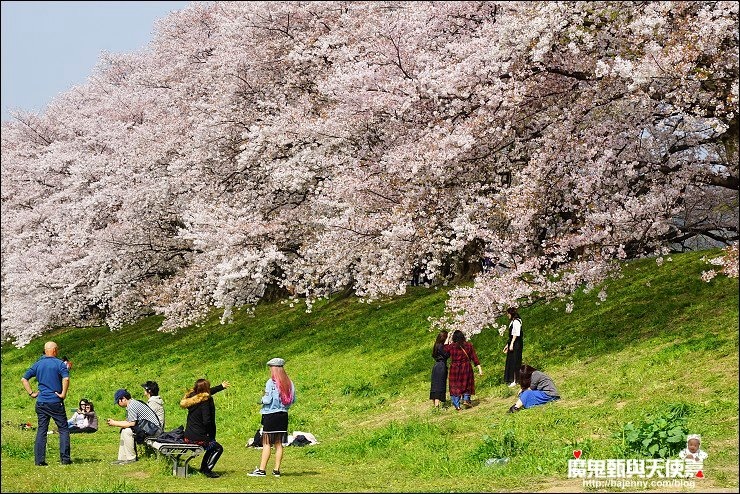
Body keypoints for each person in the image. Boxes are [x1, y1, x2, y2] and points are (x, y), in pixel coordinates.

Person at [21, 341, 72, 466]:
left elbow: (24, 379)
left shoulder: (38, 364)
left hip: (41, 402)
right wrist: (63, 394)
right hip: (55, 402)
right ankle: (65, 459)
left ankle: (39, 461)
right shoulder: (59, 363)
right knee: (63, 429)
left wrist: (31, 393)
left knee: (42, 430)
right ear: (54, 350)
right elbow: (66, 378)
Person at [248, 357, 295, 477]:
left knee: (266, 443)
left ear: (273, 369)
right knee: (278, 444)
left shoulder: (271, 382)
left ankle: (262, 470)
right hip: (283, 415)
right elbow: (292, 400)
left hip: (270, 415)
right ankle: (276, 470)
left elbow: (267, 399)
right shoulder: (289, 382)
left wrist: (260, 400)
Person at [180, 378, 229, 478]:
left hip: (189, 434)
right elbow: (207, 421)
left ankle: (204, 468)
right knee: (217, 448)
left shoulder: (192, 397)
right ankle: (206, 470)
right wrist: (210, 435)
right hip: (198, 437)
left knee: (212, 445)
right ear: (206, 389)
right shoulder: (205, 401)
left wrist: (221, 386)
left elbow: (207, 392)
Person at [106, 388, 163, 465]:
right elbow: (128, 422)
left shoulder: (132, 406)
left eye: (118, 402)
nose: (118, 404)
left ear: (123, 399)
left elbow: (131, 424)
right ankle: (122, 458)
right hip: (149, 429)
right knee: (124, 430)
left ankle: (131, 458)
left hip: (153, 431)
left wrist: (115, 423)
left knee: (127, 431)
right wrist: (114, 422)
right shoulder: (132, 403)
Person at [444, 330, 482, 411]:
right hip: (466, 367)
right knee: (467, 383)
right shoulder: (468, 345)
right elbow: (474, 357)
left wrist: (448, 337)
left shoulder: (452, 346)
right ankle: (466, 399)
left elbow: (445, 348)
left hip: (455, 368)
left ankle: (457, 406)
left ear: (454, 338)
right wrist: (479, 368)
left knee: (455, 386)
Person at [503, 307, 523, 387]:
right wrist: (507, 345)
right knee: (511, 360)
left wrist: (511, 344)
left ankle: (515, 379)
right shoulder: (513, 322)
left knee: (515, 361)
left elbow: (516, 334)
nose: (507, 315)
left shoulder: (516, 322)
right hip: (513, 342)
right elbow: (511, 336)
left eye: (508, 314)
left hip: (516, 343)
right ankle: (511, 378)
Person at [429, 331, 450, 408]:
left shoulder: (436, 345)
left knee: (434, 385)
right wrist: (447, 344)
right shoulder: (441, 346)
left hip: (436, 366)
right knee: (439, 385)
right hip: (441, 366)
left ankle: (435, 404)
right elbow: (446, 355)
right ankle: (437, 405)